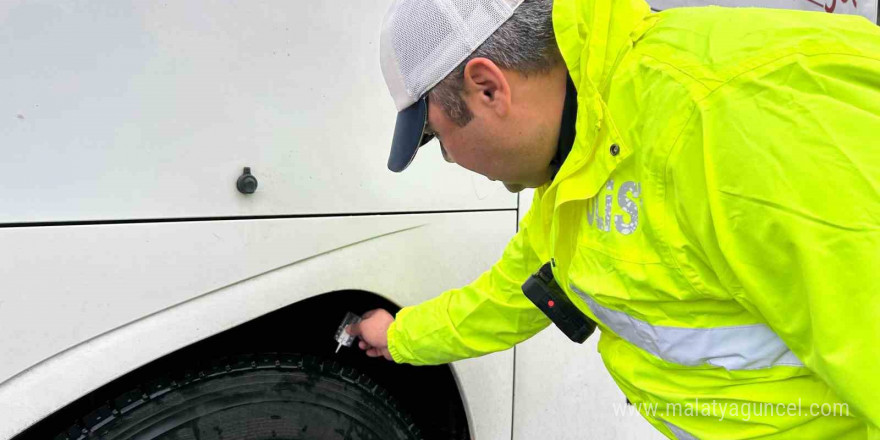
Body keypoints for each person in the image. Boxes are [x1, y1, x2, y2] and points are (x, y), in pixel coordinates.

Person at [347, 0, 880, 437]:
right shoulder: (580, 165)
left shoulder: (727, 116)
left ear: (488, 88)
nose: (452, 161)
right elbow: (512, 294)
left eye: (439, 139)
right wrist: (399, 337)